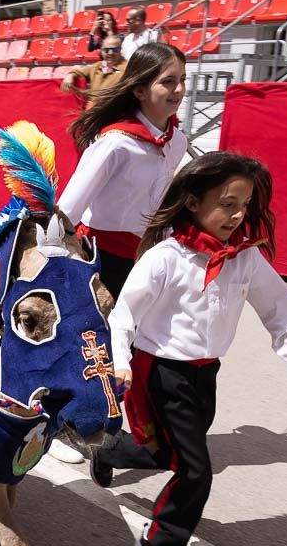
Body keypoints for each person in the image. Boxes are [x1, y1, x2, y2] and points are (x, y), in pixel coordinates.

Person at [91, 152, 287, 546]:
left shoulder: (244, 260)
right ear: (194, 202)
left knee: (165, 453)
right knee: (195, 467)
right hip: (158, 371)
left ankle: (108, 450)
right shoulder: (166, 257)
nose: (237, 215)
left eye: (244, 205)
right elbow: (123, 314)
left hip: (204, 374)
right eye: (227, 203)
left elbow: (281, 311)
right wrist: (119, 361)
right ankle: (163, 541)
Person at [53, 44, 189, 465]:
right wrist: (50, 258)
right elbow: (69, 208)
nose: (178, 90)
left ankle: (112, 424)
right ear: (140, 88)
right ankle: (67, 425)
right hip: (102, 258)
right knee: (95, 346)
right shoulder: (115, 143)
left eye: (183, 80)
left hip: (147, 258)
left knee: (136, 347)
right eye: (168, 81)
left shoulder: (177, 139)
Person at [61, 36, 126, 104]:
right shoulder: (97, 66)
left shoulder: (128, 68)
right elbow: (78, 71)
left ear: (120, 50)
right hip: (94, 110)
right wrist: (70, 76)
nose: (110, 53)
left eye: (114, 49)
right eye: (106, 50)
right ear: (102, 51)